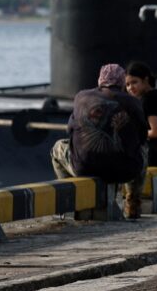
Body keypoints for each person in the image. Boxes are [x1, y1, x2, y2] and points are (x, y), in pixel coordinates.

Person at [50, 63, 150, 218]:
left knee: (57, 147)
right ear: (122, 82)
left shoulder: (81, 97)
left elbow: (69, 130)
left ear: (100, 80)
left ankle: (69, 202)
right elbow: (142, 136)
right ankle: (132, 204)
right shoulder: (133, 102)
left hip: (84, 167)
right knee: (142, 149)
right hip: (125, 171)